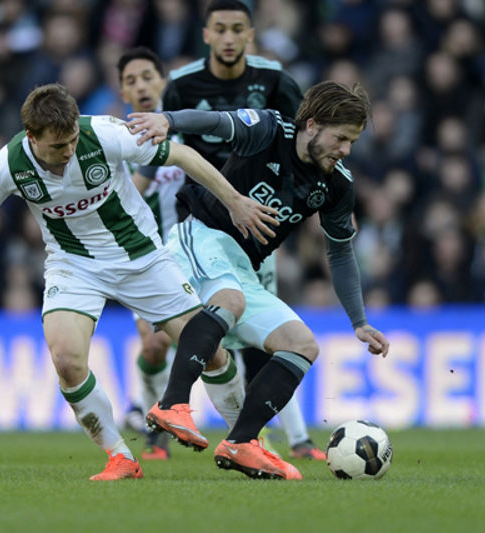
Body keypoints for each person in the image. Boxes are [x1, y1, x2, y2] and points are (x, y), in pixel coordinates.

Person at [0, 83, 278, 481]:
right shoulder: (8, 164)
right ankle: (120, 456)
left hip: (141, 257)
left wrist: (233, 200)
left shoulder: (103, 133)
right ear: (32, 137)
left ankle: (248, 443)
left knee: (211, 353)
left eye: (73, 140)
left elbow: (181, 154)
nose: (70, 150)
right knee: (67, 361)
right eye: (59, 146)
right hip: (73, 265)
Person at [126, 79, 390, 480]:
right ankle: (172, 403)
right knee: (230, 301)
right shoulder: (269, 129)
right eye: (340, 138)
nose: (346, 150)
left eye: (351, 141)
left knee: (301, 344)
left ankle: (242, 442)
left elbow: (339, 252)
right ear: (313, 125)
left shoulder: (337, 185)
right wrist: (168, 120)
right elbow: (214, 122)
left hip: (241, 267)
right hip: (201, 234)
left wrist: (359, 321)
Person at [161, 0, 322, 460]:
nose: (229, 38)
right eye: (221, 29)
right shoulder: (181, 85)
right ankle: (180, 420)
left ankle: (291, 439)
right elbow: (168, 150)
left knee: (265, 330)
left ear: (250, 34)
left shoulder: (274, 81)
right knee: (203, 324)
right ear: (206, 35)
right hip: (204, 219)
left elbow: (304, 146)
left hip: (258, 224)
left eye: (238, 29)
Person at [117, 46, 247, 461]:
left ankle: (247, 434)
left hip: (198, 252)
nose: (141, 86)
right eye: (131, 80)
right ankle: (154, 426)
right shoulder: (117, 145)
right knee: (154, 345)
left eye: (147, 77)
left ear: (163, 81)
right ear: (123, 92)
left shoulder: (189, 133)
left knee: (215, 340)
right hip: (148, 256)